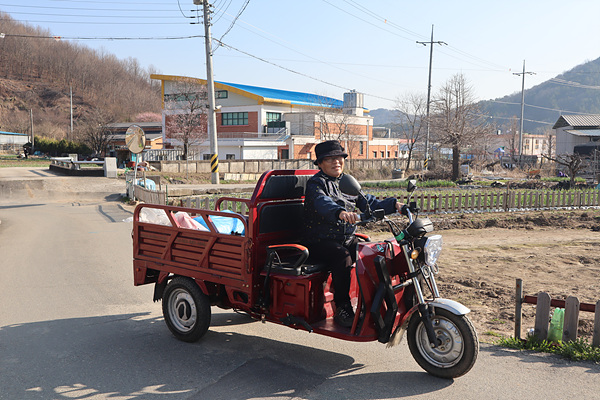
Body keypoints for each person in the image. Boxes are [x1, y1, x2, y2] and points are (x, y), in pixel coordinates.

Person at [302, 140, 402, 328]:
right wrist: (340, 212)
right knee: (342, 257)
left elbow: (368, 202)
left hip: (344, 238)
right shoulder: (316, 183)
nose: (336, 162)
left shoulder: (346, 182)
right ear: (320, 163)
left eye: (339, 158)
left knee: (374, 252)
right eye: (330, 159)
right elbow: (322, 203)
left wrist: (395, 205)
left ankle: (374, 301)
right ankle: (343, 307)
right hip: (318, 241)